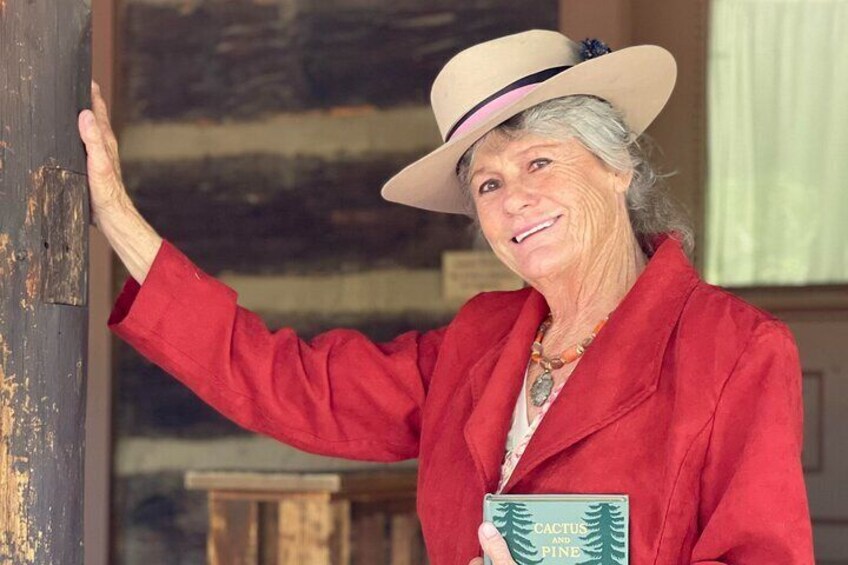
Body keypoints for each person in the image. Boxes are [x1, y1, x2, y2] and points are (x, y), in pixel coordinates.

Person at [79, 30, 814, 564]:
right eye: (488, 183)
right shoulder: (480, 338)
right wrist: (122, 224)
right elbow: (293, 387)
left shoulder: (734, 349)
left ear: (617, 166)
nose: (514, 199)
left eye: (539, 162)